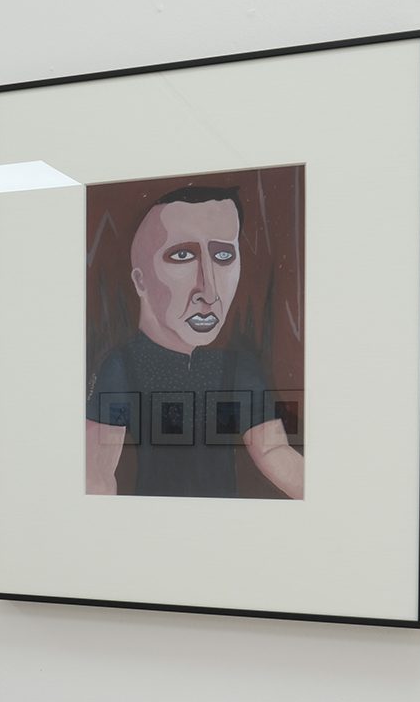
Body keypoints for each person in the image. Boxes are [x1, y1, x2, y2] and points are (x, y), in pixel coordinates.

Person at [84, 186, 304, 498]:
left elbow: (274, 452)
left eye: (224, 256)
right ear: (140, 281)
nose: (209, 291)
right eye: (182, 256)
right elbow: (95, 475)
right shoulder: (122, 367)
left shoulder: (238, 370)